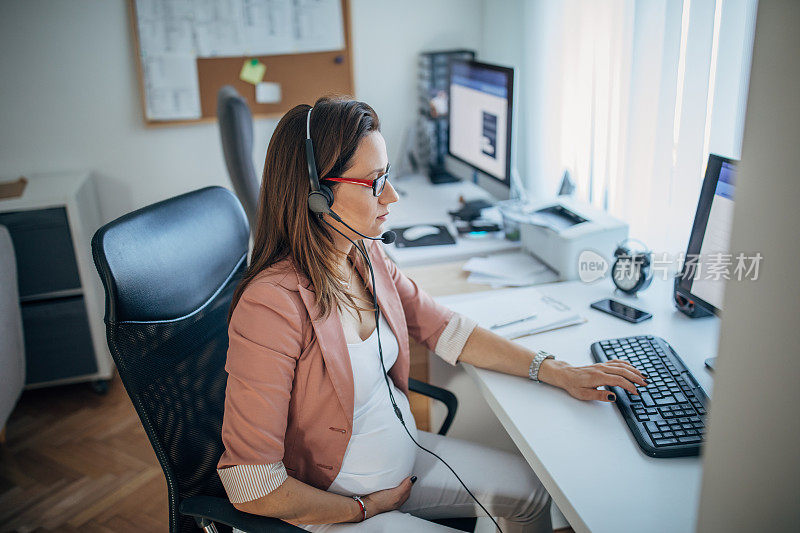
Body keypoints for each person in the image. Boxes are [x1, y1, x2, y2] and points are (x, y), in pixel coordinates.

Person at [217, 96, 647, 532]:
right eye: (374, 182)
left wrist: (556, 371)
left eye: (388, 176)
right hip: (338, 510)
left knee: (535, 494)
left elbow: (447, 329)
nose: (393, 195)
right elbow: (253, 484)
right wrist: (363, 508)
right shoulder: (271, 306)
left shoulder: (364, 254)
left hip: (403, 462)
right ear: (316, 195)